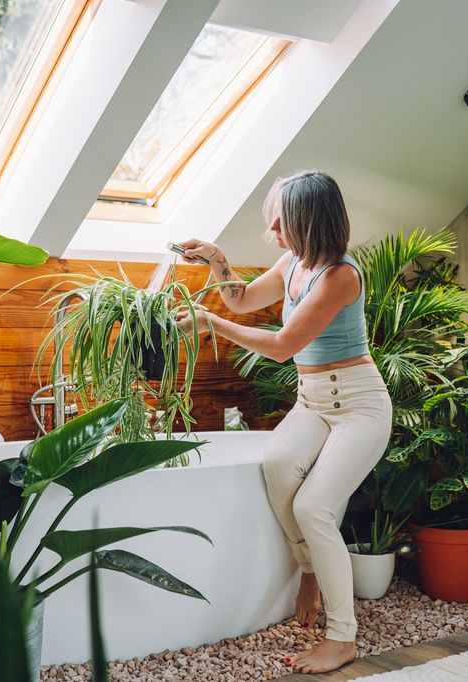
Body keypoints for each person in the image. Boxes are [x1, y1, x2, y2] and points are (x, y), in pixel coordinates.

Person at [174, 170, 392, 674]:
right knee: (276, 469)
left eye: (282, 221)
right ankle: (312, 570)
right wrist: (217, 261)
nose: (272, 229)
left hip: (360, 406)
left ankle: (342, 637)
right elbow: (244, 299)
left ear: (310, 223)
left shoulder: (341, 276)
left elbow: (281, 347)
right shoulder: (292, 261)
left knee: (315, 506)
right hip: (313, 401)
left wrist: (209, 323)